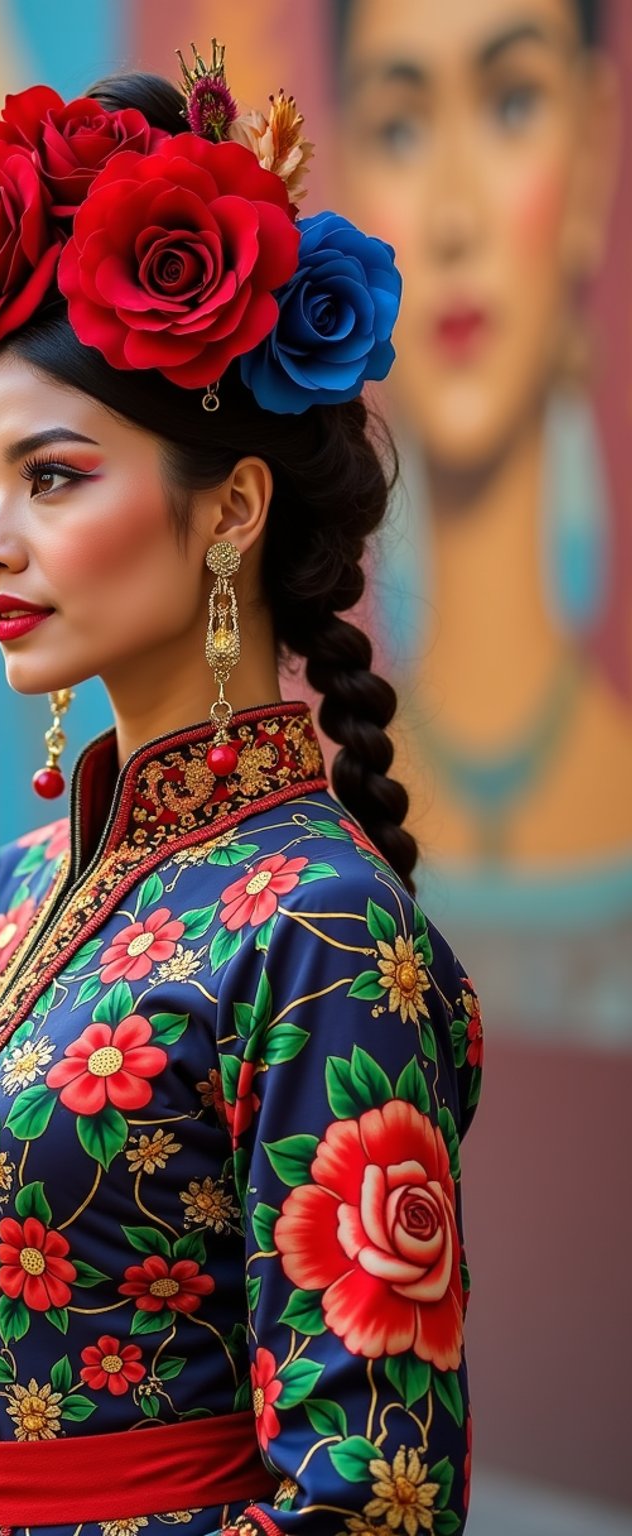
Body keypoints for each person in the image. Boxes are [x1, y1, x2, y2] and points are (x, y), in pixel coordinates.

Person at [0, 50, 480, 1536]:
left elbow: (376, 1501)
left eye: (53, 477)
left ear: (229, 506)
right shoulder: (10, 890)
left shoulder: (322, 935)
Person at [329, 0, 632, 1038]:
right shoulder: (310, 839)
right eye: (402, 128)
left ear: (591, 155)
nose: (454, 216)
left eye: (510, 104)